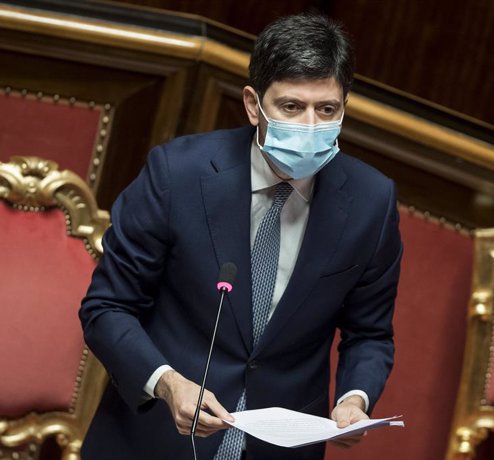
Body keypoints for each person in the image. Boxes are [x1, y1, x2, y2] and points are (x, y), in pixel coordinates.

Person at [79, 13, 403, 460]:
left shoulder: (372, 201)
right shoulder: (178, 174)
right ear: (254, 105)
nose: (310, 126)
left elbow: (369, 334)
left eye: (326, 109)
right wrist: (167, 382)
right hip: (153, 441)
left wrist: (355, 398)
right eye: (291, 107)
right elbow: (107, 307)